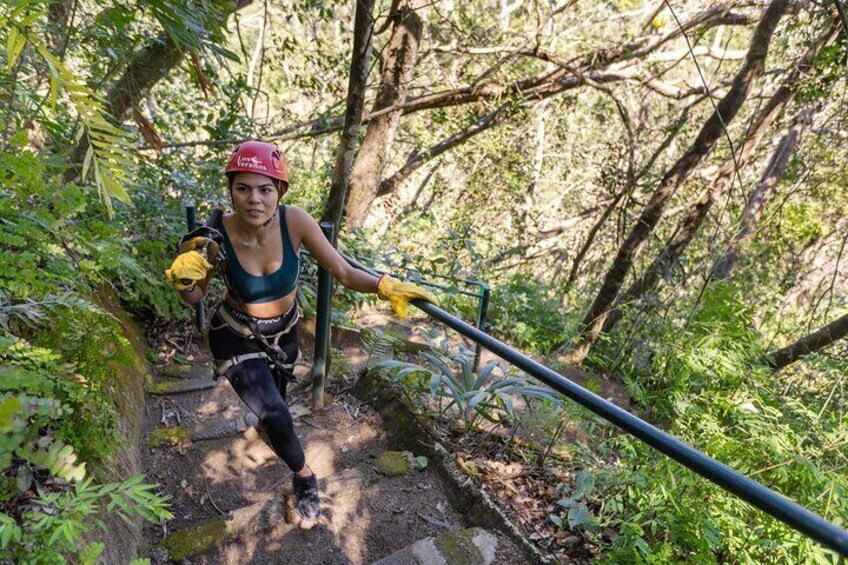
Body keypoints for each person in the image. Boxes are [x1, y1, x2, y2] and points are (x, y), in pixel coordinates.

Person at [164, 140, 438, 522]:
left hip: (284, 336)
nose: (253, 199)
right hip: (236, 336)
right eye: (242, 188)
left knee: (274, 407)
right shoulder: (212, 237)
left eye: (265, 189)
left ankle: (272, 429)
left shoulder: (296, 222)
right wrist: (183, 281)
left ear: (280, 191)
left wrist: (383, 285)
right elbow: (195, 297)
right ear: (230, 190)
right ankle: (304, 476)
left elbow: (342, 271)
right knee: (278, 414)